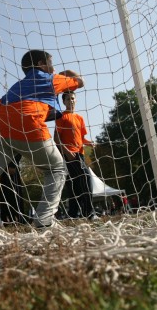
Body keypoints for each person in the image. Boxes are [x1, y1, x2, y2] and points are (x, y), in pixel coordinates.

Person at [0, 49, 85, 228]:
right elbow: (80, 81)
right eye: (51, 63)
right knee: (57, 168)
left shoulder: (17, 86)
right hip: (29, 126)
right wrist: (66, 74)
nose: (53, 67)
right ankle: (44, 221)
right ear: (41, 65)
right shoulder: (52, 78)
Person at [54, 91, 96, 220]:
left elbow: (81, 138)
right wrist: (67, 152)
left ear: (75, 100)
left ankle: (73, 214)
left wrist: (89, 143)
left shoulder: (79, 118)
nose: (71, 101)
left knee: (75, 184)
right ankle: (90, 213)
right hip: (70, 154)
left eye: (73, 98)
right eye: (68, 99)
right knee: (86, 178)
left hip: (80, 154)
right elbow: (56, 139)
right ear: (64, 102)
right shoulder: (61, 117)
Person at [0, 156, 25, 224]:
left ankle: (20, 220)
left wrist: (12, 165)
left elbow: (18, 149)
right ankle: (5, 220)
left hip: (12, 168)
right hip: (3, 168)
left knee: (15, 193)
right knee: (4, 195)